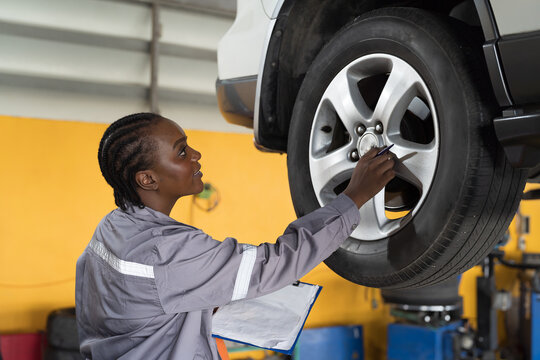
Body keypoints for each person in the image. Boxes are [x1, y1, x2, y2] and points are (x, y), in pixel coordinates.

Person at [75, 112, 395, 359]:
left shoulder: (112, 228)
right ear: (148, 178)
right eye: (182, 153)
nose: (197, 154)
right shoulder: (168, 250)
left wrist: (201, 300)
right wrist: (354, 196)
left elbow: (141, 300)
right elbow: (275, 263)